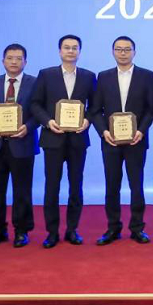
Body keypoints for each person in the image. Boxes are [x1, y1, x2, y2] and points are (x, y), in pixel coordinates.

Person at [30, 34, 96, 249]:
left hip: (78, 139)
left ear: (79, 52)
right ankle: (52, 232)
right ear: (60, 51)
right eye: (66, 47)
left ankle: (72, 230)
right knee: (52, 187)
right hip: (53, 138)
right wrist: (48, 122)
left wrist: (87, 120)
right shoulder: (46, 74)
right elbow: (35, 104)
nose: (70, 51)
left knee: (76, 186)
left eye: (74, 48)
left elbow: (96, 106)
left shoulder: (88, 76)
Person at [88, 36, 153, 246]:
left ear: (134, 52)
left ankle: (137, 228)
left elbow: (151, 109)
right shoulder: (103, 77)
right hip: (111, 141)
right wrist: (103, 132)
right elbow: (95, 110)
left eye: (127, 49)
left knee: (136, 185)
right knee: (112, 185)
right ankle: (113, 228)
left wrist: (141, 131)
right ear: (113, 52)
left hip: (136, 140)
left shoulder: (146, 76)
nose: (123, 53)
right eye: (119, 49)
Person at [0, 43, 39, 249]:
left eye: (19, 58)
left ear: (25, 62)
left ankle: (22, 231)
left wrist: (28, 127)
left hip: (23, 143)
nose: (14, 62)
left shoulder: (35, 83)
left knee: (22, 191)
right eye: (10, 58)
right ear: (3, 61)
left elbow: (40, 111)